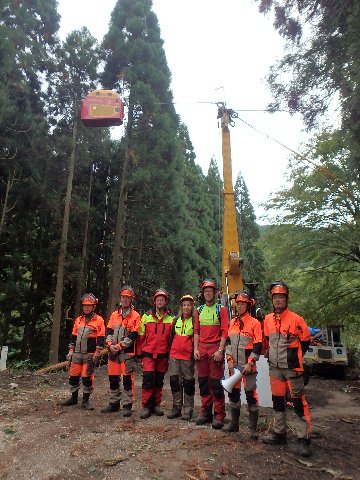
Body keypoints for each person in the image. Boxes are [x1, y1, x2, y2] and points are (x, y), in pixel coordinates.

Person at [262, 281, 312, 457]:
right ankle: (279, 433)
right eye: (275, 297)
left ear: (286, 299)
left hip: (292, 368)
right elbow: (268, 340)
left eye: (281, 297)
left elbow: (305, 342)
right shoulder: (267, 319)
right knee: (277, 401)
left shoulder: (297, 319)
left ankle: (303, 439)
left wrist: (295, 357)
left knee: (298, 403)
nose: (278, 300)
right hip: (275, 368)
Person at [223, 290, 262, 439]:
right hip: (235, 365)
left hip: (248, 366)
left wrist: (251, 362)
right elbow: (228, 343)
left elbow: (258, 345)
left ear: (248, 305)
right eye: (238, 303)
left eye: (242, 304)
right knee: (234, 394)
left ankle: (253, 429)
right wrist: (229, 360)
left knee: (251, 395)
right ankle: (234, 424)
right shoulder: (232, 322)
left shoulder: (255, 323)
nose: (239, 306)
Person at [194, 278, 229, 429]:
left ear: (215, 293)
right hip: (202, 349)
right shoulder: (199, 310)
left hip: (215, 349)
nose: (208, 293)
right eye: (205, 291)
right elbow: (196, 331)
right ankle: (205, 412)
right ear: (203, 293)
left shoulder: (220, 309)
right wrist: (195, 348)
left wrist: (221, 350)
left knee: (215, 383)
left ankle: (219, 414)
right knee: (203, 382)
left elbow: (224, 331)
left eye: (210, 290)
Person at [101, 285, 141, 417]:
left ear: (131, 300)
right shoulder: (114, 315)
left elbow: (133, 336)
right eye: (123, 297)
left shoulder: (135, 316)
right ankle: (114, 404)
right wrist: (109, 344)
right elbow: (109, 331)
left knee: (127, 380)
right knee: (113, 378)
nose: (124, 299)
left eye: (127, 298)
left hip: (126, 354)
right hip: (113, 353)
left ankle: (127, 405)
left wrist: (118, 347)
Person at [61, 293, 105, 410]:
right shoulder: (78, 320)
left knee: (87, 378)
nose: (86, 307)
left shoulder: (99, 320)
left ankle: (86, 401)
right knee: (73, 377)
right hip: (76, 353)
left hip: (89, 354)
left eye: (89, 305)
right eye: (85, 305)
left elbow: (101, 338)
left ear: (93, 306)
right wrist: (71, 351)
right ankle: (73, 398)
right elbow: (73, 337)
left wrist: (97, 351)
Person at [137, 289, 173, 419]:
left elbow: (172, 339)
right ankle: (146, 406)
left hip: (163, 354)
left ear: (165, 302)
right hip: (148, 353)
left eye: (162, 300)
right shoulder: (146, 317)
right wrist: (139, 353)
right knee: (147, 380)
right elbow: (141, 335)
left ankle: (156, 405)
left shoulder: (171, 319)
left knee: (159, 380)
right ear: (154, 301)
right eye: (158, 299)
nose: (160, 301)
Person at [167, 294, 196, 421]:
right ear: (181, 307)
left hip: (187, 355)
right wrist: (169, 352)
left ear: (192, 307)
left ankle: (188, 409)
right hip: (174, 355)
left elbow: (197, 338)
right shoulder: (176, 320)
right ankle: (176, 407)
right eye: (184, 305)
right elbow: (171, 337)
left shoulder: (195, 321)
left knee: (188, 382)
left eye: (188, 305)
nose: (186, 307)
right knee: (175, 381)